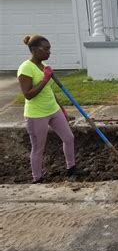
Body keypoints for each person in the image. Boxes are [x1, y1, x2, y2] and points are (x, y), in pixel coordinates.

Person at [17, 35, 85, 183]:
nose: (49, 52)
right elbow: (28, 95)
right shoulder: (25, 68)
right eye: (46, 49)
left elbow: (48, 91)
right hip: (36, 114)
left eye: (50, 49)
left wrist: (62, 109)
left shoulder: (43, 66)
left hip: (53, 110)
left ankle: (71, 169)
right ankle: (37, 178)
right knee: (38, 148)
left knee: (69, 138)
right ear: (34, 50)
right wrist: (45, 79)